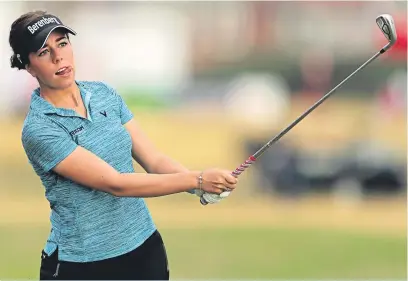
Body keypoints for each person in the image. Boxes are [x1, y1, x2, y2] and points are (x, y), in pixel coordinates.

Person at [8, 10, 238, 280]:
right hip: (83, 264)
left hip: (143, 248)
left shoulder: (104, 94)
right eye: (44, 52)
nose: (59, 57)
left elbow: (153, 159)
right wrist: (197, 180)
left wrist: (200, 187)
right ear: (28, 65)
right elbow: (116, 183)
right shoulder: (39, 129)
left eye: (62, 43)